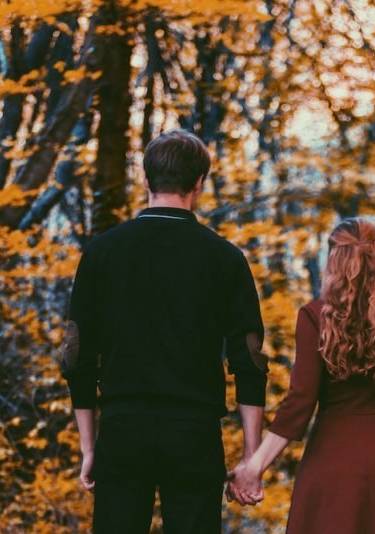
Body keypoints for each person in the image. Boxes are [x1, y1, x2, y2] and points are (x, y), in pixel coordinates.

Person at [59, 129, 269, 533]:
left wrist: (90, 446)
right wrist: (250, 457)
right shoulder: (224, 259)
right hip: (194, 433)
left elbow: (77, 355)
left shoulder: (102, 253)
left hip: (123, 428)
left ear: (146, 180)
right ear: (199, 184)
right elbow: (250, 361)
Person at [228, 217, 375, 533]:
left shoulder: (314, 317)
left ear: (333, 259)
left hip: (331, 466)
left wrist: (255, 465)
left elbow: (300, 402)